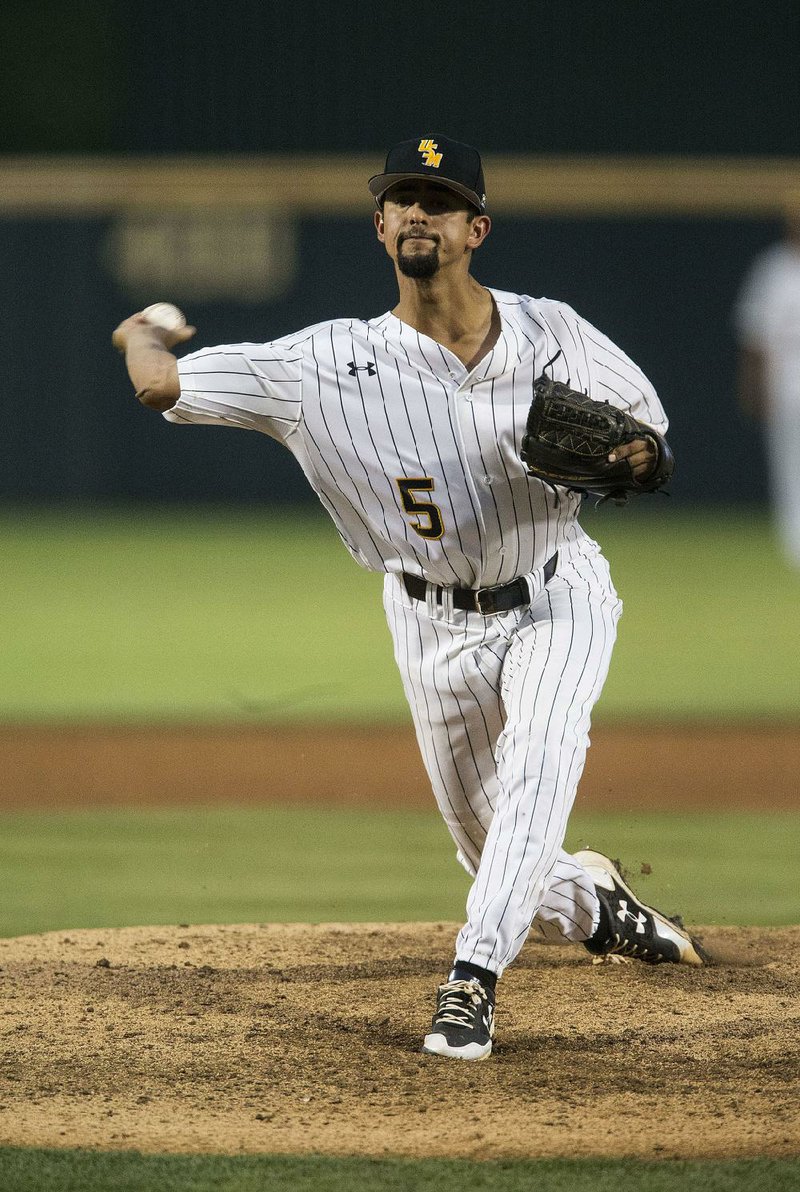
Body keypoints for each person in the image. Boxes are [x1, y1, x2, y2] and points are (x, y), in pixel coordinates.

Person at [113, 135, 707, 1062]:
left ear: (477, 228)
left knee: (541, 761)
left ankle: (472, 982)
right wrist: (139, 333)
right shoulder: (321, 365)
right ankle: (596, 905)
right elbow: (161, 387)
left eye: (440, 200)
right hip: (429, 621)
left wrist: (639, 457)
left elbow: (652, 441)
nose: (419, 213)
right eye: (403, 199)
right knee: (488, 844)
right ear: (381, 225)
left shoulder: (556, 330)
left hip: (557, 589)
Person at [734, 194, 800, 569]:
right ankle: (796, 548)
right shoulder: (774, 269)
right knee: (791, 470)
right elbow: (756, 340)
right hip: (788, 389)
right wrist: (753, 386)